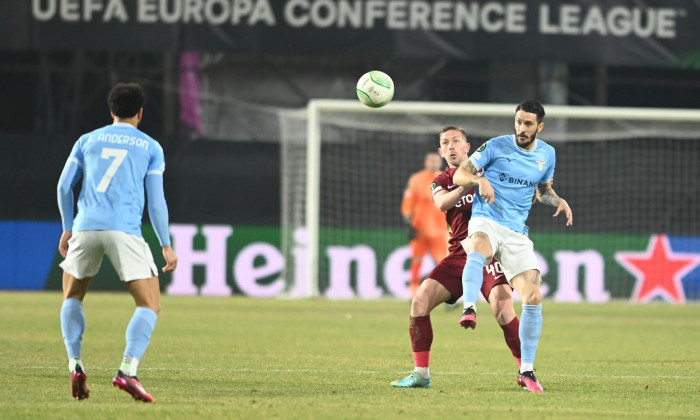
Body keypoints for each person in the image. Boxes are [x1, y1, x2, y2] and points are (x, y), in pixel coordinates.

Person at [57, 82, 178, 402]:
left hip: (85, 228)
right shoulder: (150, 147)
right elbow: (156, 202)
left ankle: (75, 364)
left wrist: (68, 227)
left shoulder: (86, 140)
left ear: (111, 111)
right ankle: (127, 370)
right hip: (124, 230)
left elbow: (63, 186)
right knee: (149, 304)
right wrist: (165, 243)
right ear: (140, 112)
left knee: (73, 296)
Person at [454, 100, 573, 392]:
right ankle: (469, 306)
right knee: (478, 248)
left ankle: (527, 371)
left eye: (528, 124)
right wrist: (478, 181)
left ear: (539, 127)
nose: (521, 128)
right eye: (518, 121)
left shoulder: (548, 154)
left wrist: (558, 200)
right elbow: (460, 174)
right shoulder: (495, 146)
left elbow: (543, 191)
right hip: (487, 219)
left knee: (533, 295)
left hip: (516, 232)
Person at [391, 126, 522, 389]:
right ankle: (421, 374)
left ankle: (526, 370)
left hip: (489, 253)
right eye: (445, 143)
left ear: (467, 147)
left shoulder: (491, 172)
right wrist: (466, 183)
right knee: (419, 303)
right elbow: (441, 204)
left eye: (456, 141)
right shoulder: (440, 181)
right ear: (441, 152)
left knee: (503, 309)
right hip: (459, 255)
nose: (451, 146)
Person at [400, 152, 449, 297]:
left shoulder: (447, 178)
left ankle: (444, 292)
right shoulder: (416, 179)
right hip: (419, 228)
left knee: (441, 262)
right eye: (430, 160)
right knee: (416, 259)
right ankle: (413, 292)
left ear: (440, 163)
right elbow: (408, 200)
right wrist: (407, 220)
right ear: (425, 162)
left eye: (435, 161)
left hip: (439, 230)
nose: (433, 163)